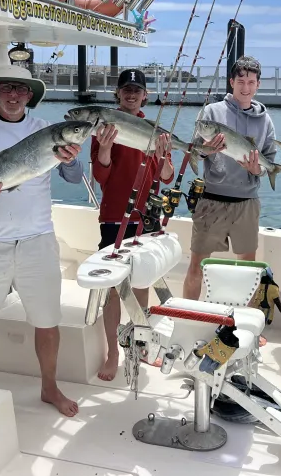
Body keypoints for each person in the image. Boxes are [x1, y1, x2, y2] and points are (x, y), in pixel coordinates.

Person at [0, 64, 84, 417]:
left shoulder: (46, 130)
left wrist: (71, 159)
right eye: (7, 88)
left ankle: (49, 388)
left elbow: (73, 177)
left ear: (30, 96)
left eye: (21, 89)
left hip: (38, 241)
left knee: (47, 321)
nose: (14, 95)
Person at [90, 68, 174, 381]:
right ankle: (113, 352)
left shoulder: (155, 130)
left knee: (141, 283)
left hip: (146, 218)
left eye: (136, 90)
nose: (131, 94)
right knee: (114, 289)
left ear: (145, 95)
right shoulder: (104, 128)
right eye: (126, 89)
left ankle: (138, 346)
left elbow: (166, 176)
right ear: (118, 93)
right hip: (115, 216)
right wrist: (106, 146)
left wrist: (164, 156)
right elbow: (101, 175)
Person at [184, 56, 277, 301]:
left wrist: (257, 170)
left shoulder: (265, 120)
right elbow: (194, 151)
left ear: (258, 85)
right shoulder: (211, 112)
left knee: (247, 270)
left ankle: (244, 319)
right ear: (231, 82)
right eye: (241, 82)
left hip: (247, 203)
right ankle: (188, 316)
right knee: (196, 267)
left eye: (251, 82)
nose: (246, 88)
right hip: (211, 199)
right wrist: (208, 150)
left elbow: (268, 161)